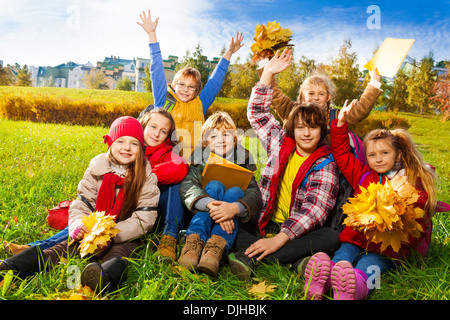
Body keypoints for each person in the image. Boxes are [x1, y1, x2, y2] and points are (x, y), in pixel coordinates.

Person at [0, 116, 160, 294]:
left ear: (141, 148)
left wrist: (111, 234)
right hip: (91, 231)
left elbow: (144, 218)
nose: (127, 147)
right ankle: (11, 267)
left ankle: (102, 278)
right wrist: (78, 225)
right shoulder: (96, 170)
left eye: (134, 143)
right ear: (110, 143)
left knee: (120, 254)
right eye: (120, 141)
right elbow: (81, 203)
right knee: (62, 248)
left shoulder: (146, 178)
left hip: (123, 235)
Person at [304, 100, 437, 300]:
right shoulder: (364, 175)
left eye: (385, 153)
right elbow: (342, 154)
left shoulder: (409, 181)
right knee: (342, 258)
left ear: (398, 153)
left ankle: (355, 288)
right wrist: (340, 125)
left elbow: (416, 218)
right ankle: (320, 282)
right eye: (372, 155)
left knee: (370, 268)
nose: (379, 159)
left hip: (387, 250)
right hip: (356, 239)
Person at [227, 51, 340, 280]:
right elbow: (257, 114)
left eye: (313, 128)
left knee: (330, 237)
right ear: (292, 129)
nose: (306, 133)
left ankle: (251, 255)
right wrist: (267, 73)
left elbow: (315, 210)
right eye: (300, 127)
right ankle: (295, 262)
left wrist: (280, 238)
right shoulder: (279, 142)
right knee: (232, 221)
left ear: (322, 131)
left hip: (297, 231)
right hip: (263, 221)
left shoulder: (325, 162)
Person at [137, 9, 244, 157]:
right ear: (173, 86)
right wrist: (151, 35)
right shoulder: (164, 99)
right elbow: (156, 70)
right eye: (181, 84)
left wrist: (229, 53)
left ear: (197, 90)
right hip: (165, 159)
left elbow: (215, 82)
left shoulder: (201, 103)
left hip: (193, 161)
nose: (185, 89)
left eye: (191, 86)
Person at [256, 49, 382, 163]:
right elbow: (273, 92)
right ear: (302, 95)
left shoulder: (336, 117)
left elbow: (361, 110)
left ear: (328, 97)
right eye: (311, 93)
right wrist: (265, 65)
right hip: (291, 166)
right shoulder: (290, 110)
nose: (316, 97)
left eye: (321, 94)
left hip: (323, 171)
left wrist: (374, 81)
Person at [178, 111, 262, 277]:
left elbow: (254, 193)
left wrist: (233, 209)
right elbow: (188, 186)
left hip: (232, 210)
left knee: (236, 191)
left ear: (234, 138)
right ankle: (194, 242)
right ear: (205, 141)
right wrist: (209, 203)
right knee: (214, 185)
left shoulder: (243, 158)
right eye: (213, 136)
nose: (221, 140)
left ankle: (215, 248)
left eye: (226, 135)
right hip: (204, 212)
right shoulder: (200, 157)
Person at [138, 108, 189, 261]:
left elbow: (180, 168)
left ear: (168, 136)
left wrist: (142, 177)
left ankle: (169, 237)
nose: (156, 134)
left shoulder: (167, 152)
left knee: (175, 185)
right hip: (134, 207)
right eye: (153, 127)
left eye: (163, 131)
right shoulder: (129, 147)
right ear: (144, 125)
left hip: (159, 209)